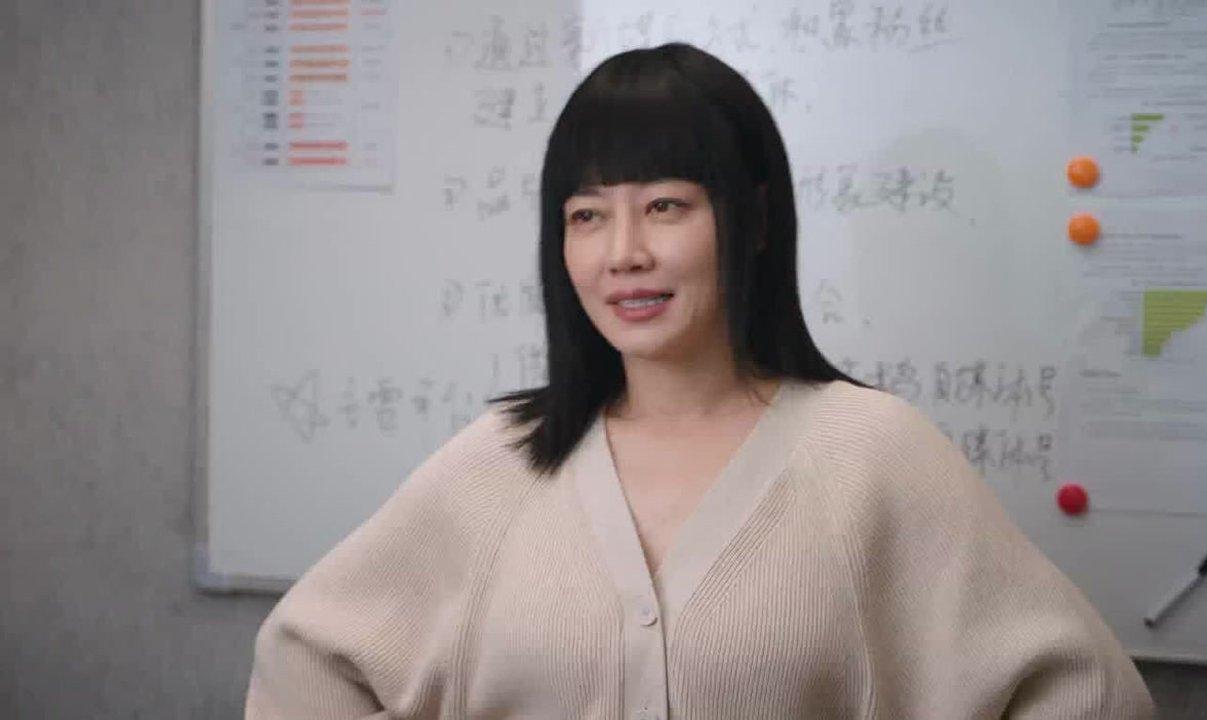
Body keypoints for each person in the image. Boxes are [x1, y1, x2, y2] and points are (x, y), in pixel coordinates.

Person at [245, 43, 1155, 719]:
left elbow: (1087, 697)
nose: (623, 253)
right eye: (586, 216)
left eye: (665, 206)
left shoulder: (870, 454)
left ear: (753, 220)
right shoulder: (500, 463)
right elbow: (307, 666)